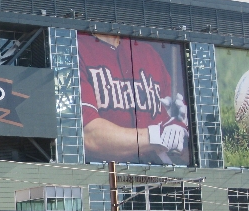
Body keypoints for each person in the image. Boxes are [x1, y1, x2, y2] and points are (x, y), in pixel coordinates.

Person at [77, 32, 189, 164]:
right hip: (101, 173)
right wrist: (156, 136)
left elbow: (182, 151)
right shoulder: (74, 44)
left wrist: (181, 125)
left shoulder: (148, 52)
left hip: (154, 172)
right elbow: (89, 137)